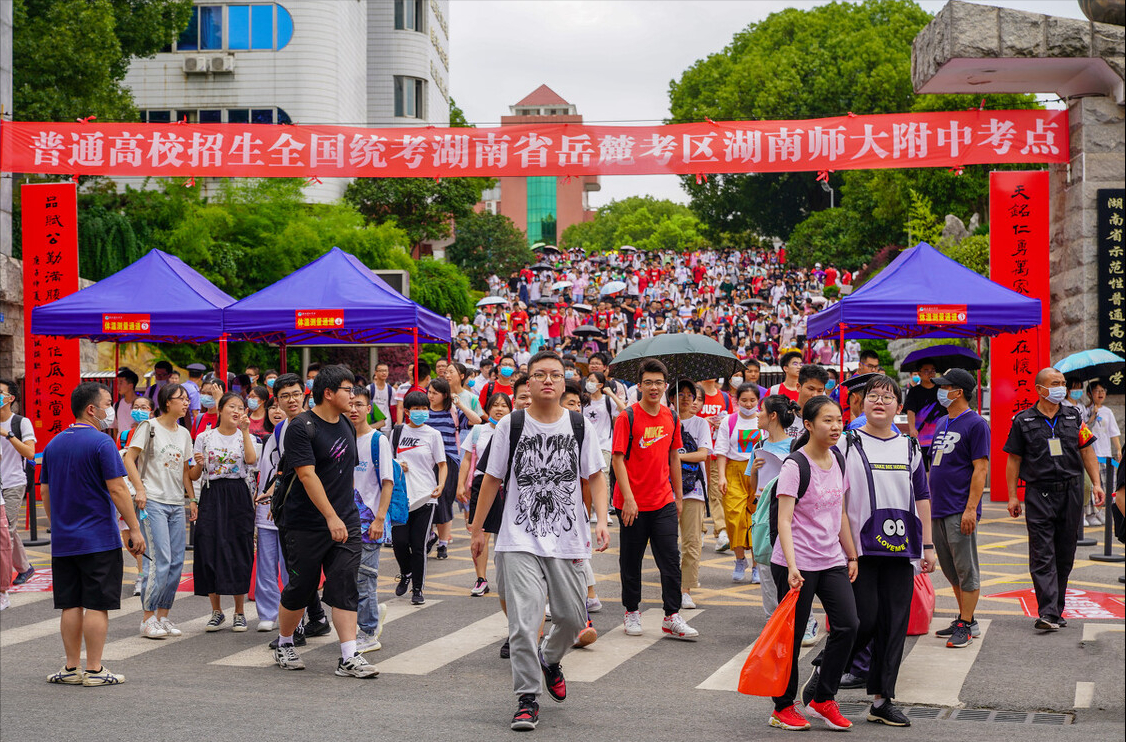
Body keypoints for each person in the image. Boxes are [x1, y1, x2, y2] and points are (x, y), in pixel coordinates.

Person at [471, 350, 610, 731]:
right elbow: (492, 479)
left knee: (570, 619)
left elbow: (596, 476)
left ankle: (550, 659)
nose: (548, 380)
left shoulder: (580, 425)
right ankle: (527, 698)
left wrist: (602, 519)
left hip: (567, 539)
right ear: (528, 384)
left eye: (555, 375)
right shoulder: (511, 425)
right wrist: (478, 529)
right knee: (523, 622)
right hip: (518, 539)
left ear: (565, 382)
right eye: (540, 375)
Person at [829, 375, 935, 727]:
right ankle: (828, 672)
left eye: (887, 397)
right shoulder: (846, 442)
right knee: (863, 620)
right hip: (858, 549)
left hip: (901, 550)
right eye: (872, 396)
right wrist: (843, 547)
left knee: (893, 626)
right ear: (861, 403)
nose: (879, 401)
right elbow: (836, 495)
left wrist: (928, 546)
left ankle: (881, 699)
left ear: (899, 407)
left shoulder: (910, 447)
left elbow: (922, 495)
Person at [272, 365, 377, 677]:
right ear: (328, 393)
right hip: (306, 523)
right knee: (301, 587)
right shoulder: (301, 427)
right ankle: (285, 642)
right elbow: (306, 475)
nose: (353, 395)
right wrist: (330, 516)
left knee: (345, 583)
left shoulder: (345, 422)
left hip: (346, 519)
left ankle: (349, 656)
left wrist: (346, 513)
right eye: (347, 389)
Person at [41, 382, 146, 686]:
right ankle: (96, 669)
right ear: (92, 409)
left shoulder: (54, 444)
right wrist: (135, 529)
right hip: (98, 538)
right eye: (107, 404)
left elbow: (45, 490)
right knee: (97, 604)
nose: (110, 409)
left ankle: (71, 668)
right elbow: (117, 488)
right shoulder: (102, 444)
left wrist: (58, 522)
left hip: (65, 541)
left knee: (70, 603)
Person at [769, 395, 859, 731]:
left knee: (849, 625)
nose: (835, 426)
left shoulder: (837, 458)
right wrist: (792, 566)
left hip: (831, 559)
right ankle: (782, 707)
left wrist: (851, 554)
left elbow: (842, 514)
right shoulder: (795, 465)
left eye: (839, 420)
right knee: (791, 638)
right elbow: (784, 521)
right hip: (797, 562)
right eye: (827, 420)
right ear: (808, 425)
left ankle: (823, 698)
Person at [1004, 367, 1104, 632]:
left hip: (1071, 492)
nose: (1062, 387)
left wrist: (1096, 483)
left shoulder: (1073, 417)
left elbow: (1087, 451)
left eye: (1063, 383)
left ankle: (1055, 610)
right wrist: (1013, 496)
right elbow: (1013, 460)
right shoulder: (1023, 421)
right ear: (1039, 389)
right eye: (1055, 383)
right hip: (1039, 493)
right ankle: (1048, 612)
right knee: (1042, 553)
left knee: (1064, 553)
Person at [613, 358, 698, 640]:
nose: (653, 387)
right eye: (647, 382)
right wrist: (628, 498)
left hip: (662, 500)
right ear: (639, 385)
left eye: (658, 382)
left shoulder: (671, 417)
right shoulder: (628, 417)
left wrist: (678, 495)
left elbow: (674, 456)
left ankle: (672, 615)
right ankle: (631, 611)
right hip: (632, 504)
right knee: (631, 560)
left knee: (670, 560)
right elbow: (617, 459)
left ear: (665, 386)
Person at [122, 383, 194, 640]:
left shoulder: (184, 433)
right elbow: (129, 458)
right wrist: (140, 489)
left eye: (187, 399)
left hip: (176, 503)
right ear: (166, 402)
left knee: (176, 563)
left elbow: (186, 470)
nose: (186, 403)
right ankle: (147, 618)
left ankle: (163, 616)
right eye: (180, 399)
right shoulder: (149, 427)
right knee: (160, 560)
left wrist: (192, 499)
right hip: (152, 501)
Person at [928, 368, 989, 648]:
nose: (940, 390)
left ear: (959, 392)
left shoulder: (976, 424)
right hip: (939, 508)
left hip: (958, 508)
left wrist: (970, 509)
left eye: (945, 386)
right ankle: (967, 618)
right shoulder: (943, 422)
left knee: (967, 569)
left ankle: (966, 623)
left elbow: (980, 469)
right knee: (951, 570)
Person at [189, 393, 258, 632]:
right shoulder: (204, 437)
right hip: (211, 492)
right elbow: (194, 475)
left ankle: (239, 612)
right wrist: (198, 462)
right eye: (232, 406)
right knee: (209, 547)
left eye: (241, 407)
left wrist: (247, 431)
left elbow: (251, 460)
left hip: (238, 493)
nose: (237, 411)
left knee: (239, 548)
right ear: (220, 409)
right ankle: (216, 611)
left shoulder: (245, 436)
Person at [745, 394, 801, 616]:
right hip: (765, 514)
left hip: (790, 514)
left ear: (773, 416)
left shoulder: (796, 446)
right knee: (766, 566)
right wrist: (756, 470)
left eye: (761, 410)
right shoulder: (759, 446)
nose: (757, 414)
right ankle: (772, 619)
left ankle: (797, 618)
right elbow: (752, 485)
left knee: (791, 565)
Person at [348, 388, 394, 653]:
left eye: (359, 404)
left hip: (369, 523)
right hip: (344, 522)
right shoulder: (341, 439)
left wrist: (379, 520)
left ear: (369, 409)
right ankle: (372, 614)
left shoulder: (378, 441)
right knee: (348, 579)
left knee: (365, 580)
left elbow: (387, 483)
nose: (354, 409)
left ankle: (368, 632)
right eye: (350, 404)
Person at [391, 391, 447, 605]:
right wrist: (397, 465)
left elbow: (442, 465)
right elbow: (387, 460)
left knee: (418, 544)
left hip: (426, 496)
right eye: (416, 409)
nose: (421, 413)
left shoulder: (433, 435)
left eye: (425, 409)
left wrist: (440, 485)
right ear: (407, 411)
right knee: (399, 542)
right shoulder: (397, 433)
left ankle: (417, 589)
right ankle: (406, 572)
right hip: (401, 498)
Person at [459, 392, 513, 596]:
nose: (499, 409)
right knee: (479, 531)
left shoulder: (514, 430)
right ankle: (481, 578)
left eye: (504, 406)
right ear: (487, 409)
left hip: (506, 485)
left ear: (510, 409)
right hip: (481, 484)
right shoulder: (478, 431)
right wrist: (460, 484)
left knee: (506, 533)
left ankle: (508, 577)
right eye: (495, 405)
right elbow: (467, 459)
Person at [715, 383, 763, 583]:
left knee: (757, 520)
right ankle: (739, 559)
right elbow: (721, 450)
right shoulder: (729, 421)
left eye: (752, 400)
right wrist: (722, 476)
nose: (748, 404)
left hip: (759, 471)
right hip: (734, 471)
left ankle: (756, 566)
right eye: (744, 400)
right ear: (736, 400)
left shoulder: (764, 419)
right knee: (734, 518)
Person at [675, 382, 711, 609]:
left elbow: (703, 454)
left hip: (693, 488)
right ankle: (671, 585)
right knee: (667, 543)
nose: (687, 399)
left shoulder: (701, 424)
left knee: (691, 542)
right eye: (681, 394)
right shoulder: (666, 420)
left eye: (691, 395)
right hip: (666, 487)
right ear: (671, 397)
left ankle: (685, 589)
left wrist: (676, 457)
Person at [0, 378, 37, 585]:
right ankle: (25, 567)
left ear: (10, 398)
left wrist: (9, 435)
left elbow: (30, 453)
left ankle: (5, 576)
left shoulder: (20, 422)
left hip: (13, 482)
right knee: (7, 528)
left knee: (7, 530)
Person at [697, 376, 734, 552]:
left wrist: (722, 423)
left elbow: (732, 421)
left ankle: (721, 532)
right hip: (696, 453)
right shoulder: (695, 394)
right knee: (696, 494)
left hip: (715, 453)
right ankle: (699, 530)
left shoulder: (724, 397)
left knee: (716, 494)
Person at [1084, 379, 1121, 526]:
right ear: (1089, 394)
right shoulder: (1085, 410)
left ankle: (1100, 512)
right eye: (1097, 391)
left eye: (1103, 391)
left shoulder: (1107, 411)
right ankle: (1091, 514)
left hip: (1105, 454)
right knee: (1093, 486)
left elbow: (1113, 432)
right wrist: (1091, 416)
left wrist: (1118, 449)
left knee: (1108, 486)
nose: (1100, 394)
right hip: (1092, 455)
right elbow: (1083, 431)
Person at [904, 362, 946, 468]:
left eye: (933, 370)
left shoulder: (942, 389)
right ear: (919, 373)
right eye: (926, 371)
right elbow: (910, 411)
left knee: (937, 468)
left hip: (939, 437)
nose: (930, 373)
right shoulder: (914, 391)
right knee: (922, 469)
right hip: (921, 438)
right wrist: (912, 429)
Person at [367, 362, 397, 430]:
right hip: (372, 423)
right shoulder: (369, 389)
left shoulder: (391, 390)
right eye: (381, 371)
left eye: (385, 370)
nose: (384, 373)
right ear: (375, 372)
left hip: (387, 424)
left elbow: (394, 407)